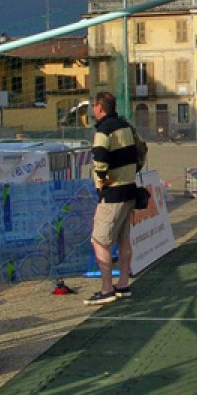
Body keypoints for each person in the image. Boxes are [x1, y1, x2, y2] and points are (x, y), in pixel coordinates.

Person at [85, 91, 139, 306]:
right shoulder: (125, 126)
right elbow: (140, 153)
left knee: (99, 241)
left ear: (100, 108)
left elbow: (100, 160)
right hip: (129, 189)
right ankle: (123, 284)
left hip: (113, 193)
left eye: (93, 107)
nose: (92, 110)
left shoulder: (103, 131)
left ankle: (107, 288)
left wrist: (101, 182)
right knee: (123, 240)